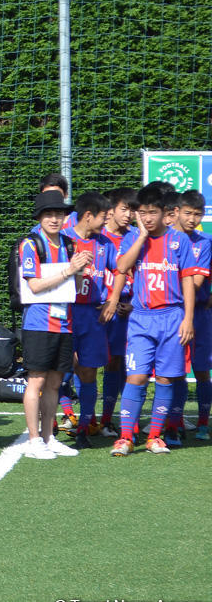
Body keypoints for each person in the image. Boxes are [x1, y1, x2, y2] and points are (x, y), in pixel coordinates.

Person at [106, 184, 200, 456]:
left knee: (167, 380)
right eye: (142, 212)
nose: (147, 217)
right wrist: (141, 237)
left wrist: (188, 319)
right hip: (141, 319)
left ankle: (155, 436)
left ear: (165, 212)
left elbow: (187, 282)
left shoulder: (179, 240)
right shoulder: (133, 237)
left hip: (172, 317)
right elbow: (122, 267)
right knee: (136, 377)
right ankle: (124, 438)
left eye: (152, 212)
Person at [18, 191, 85, 460]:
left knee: (56, 384)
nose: (55, 218)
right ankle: (34, 440)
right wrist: (69, 270)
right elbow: (33, 285)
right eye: (49, 214)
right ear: (39, 217)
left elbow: (76, 288)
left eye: (59, 213)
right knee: (35, 382)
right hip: (38, 323)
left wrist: (80, 271)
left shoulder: (70, 245)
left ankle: (48, 437)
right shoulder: (31, 244)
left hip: (64, 323)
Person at [61, 191, 118, 450]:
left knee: (88, 372)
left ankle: (84, 427)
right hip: (66, 312)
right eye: (104, 217)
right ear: (87, 216)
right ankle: (53, 421)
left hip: (92, 315)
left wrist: (113, 300)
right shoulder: (64, 240)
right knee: (56, 370)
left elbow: (119, 271)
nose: (107, 222)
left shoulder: (105, 243)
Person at [98, 187, 137, 435]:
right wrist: (106, 301)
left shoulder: (135, 236)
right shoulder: (98, 237)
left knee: (123, 362)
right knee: (87, 362)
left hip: (128, 309)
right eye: (125, 209)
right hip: (100, 308)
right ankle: (89, 418)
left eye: (133, 210)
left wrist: (133, 303)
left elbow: (142, 274)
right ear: (110, 210)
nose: (129, 215)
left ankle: (114, 419)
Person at [174, 190, 212, 442]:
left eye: (197, 214)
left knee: (201, 370)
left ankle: (202, 422)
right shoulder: (165, 240)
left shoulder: (204, 242)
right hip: (170, 312)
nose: (191, 218)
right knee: (173, 369)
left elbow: (196, 282)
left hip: (199, 314)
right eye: (188, 213)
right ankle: (173, 423)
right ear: (176, 212)